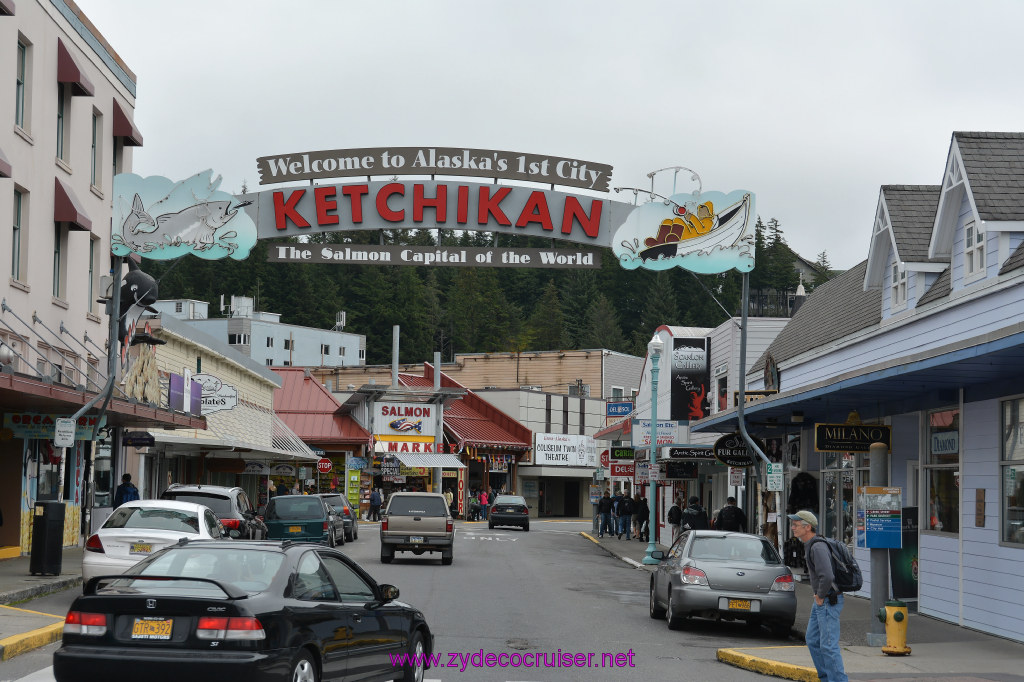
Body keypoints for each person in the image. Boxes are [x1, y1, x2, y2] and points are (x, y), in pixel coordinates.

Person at [788, 510, 848, 682]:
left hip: (828, 599)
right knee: (813, 640)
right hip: (822, 599)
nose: (793, 528)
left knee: (828, 645)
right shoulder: (811, 545)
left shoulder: (817, 546)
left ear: (807, 527)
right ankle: (826, 678)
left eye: (796, 525)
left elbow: (827, 576)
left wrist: (820, 596)